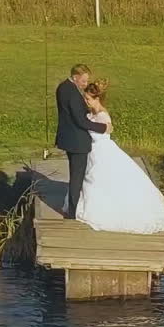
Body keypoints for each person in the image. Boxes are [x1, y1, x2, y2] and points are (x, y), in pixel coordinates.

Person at [75, 82, 164, 234]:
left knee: (103, 180)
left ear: (97, 99)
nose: (85, 101)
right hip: (93, 153)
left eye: (88, 99)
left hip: (102, 152)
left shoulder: (103, 116)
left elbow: (102, 131)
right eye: (85, 98)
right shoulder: (91, 113)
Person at [55, 65, 110, 220]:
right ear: (75, 77)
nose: (86, 84)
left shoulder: (62, 87)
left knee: (76, 175)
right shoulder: (73, 94)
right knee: (77, 178)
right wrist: (103, 127)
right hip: (77, 142)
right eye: (84, 81)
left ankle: (73, 207)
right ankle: (72, 213)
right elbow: (81, 121)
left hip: (67, 138)